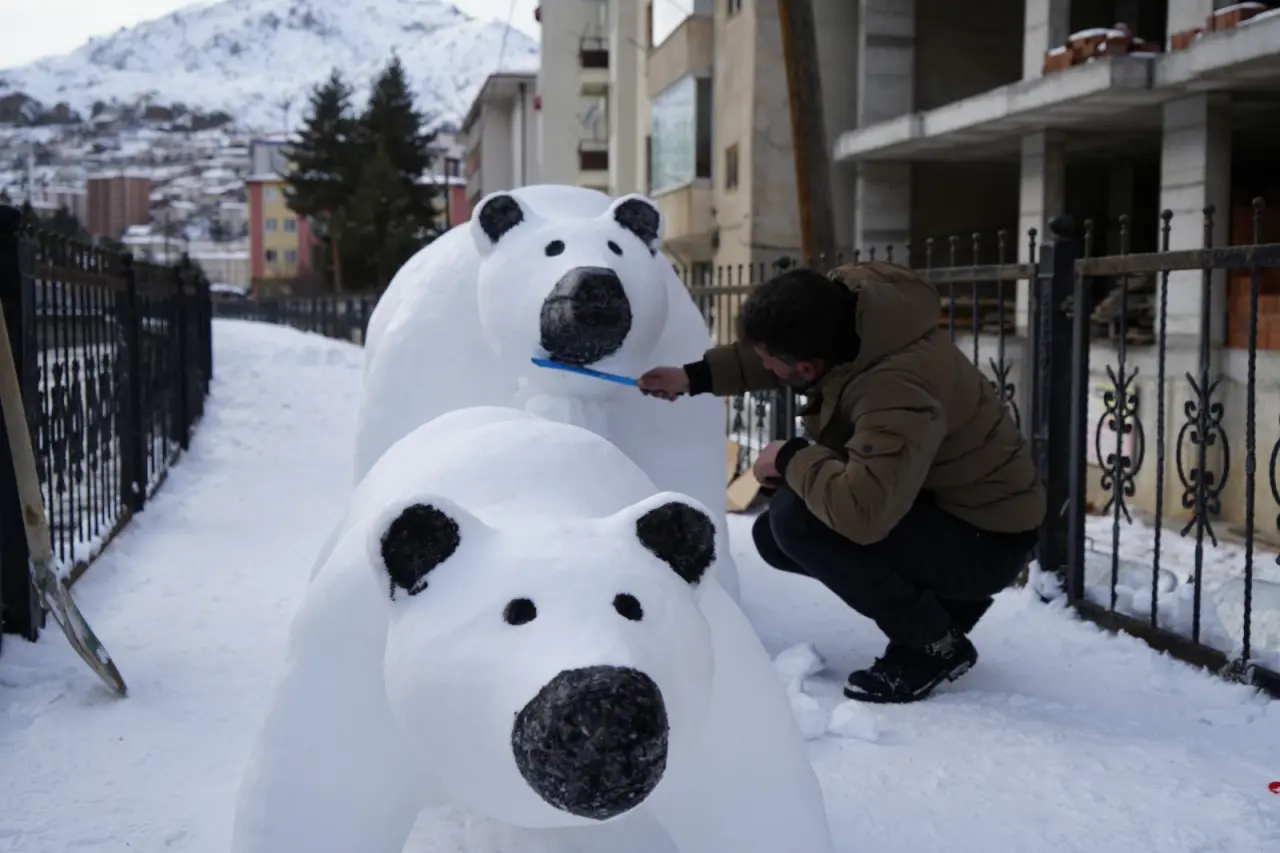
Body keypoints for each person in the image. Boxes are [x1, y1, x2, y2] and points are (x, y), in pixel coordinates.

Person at [638, 261, 1044, 704]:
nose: (765, 367)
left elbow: (862, 515)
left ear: (809, 367)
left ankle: (933, 643)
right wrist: (692, 377)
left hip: (987, 542)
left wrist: (791, 457)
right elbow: (775, 353)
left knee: (796, 520)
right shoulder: (854, 309)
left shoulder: (894, 390)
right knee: (775, 534)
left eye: (772, 364)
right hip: (953, 509)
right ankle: (947, 605)